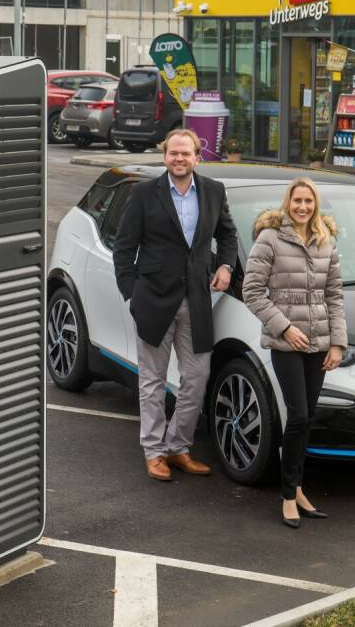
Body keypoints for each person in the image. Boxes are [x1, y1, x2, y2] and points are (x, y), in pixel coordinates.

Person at [113, 128, 239, 482]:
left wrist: (226, 265)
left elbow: (227, 234)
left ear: (198, 156)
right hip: (152, 300)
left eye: (186, 153)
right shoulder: (143, 194)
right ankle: (154, 452)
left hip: (197, 299)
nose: (179, 159)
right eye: (173, 153)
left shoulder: (213, 191)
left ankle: (178, 447)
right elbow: (124, 249)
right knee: (152, 380)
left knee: (197, 377)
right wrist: (131, 295)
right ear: (164, 155)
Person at [242, 177, 346, 529]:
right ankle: (288, 495)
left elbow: (334, 296)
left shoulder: (325, 241)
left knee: (308, 418)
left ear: (316, 205)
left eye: (309, 201)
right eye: (297, 200)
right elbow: (252, 292)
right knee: (298, 415)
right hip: (287, 342)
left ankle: (298, 487)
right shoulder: (269, 239)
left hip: (318, 343)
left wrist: (337, 343)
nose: (303, 207)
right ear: (288, 203)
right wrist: (284, 327)